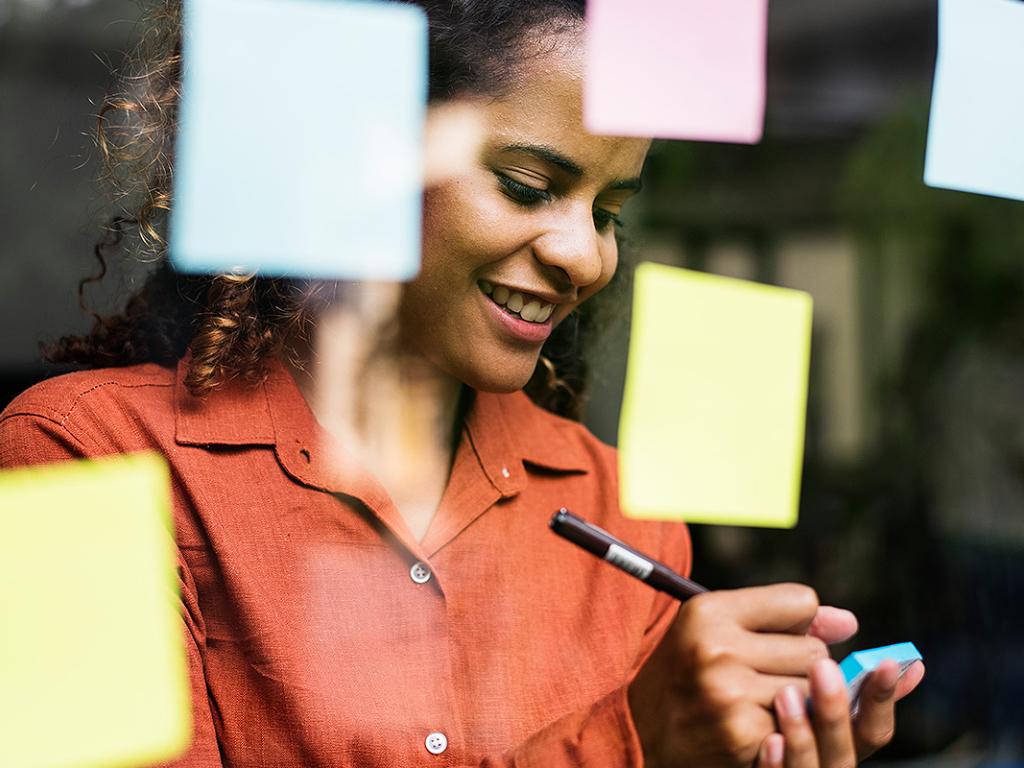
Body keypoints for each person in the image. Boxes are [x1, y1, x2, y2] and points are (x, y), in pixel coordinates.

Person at [0, 1, 923, 766]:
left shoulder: (618, 505)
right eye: (527, 186)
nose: (585, 255)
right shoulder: (75, 465)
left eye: (607, 212)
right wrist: (627, 740)